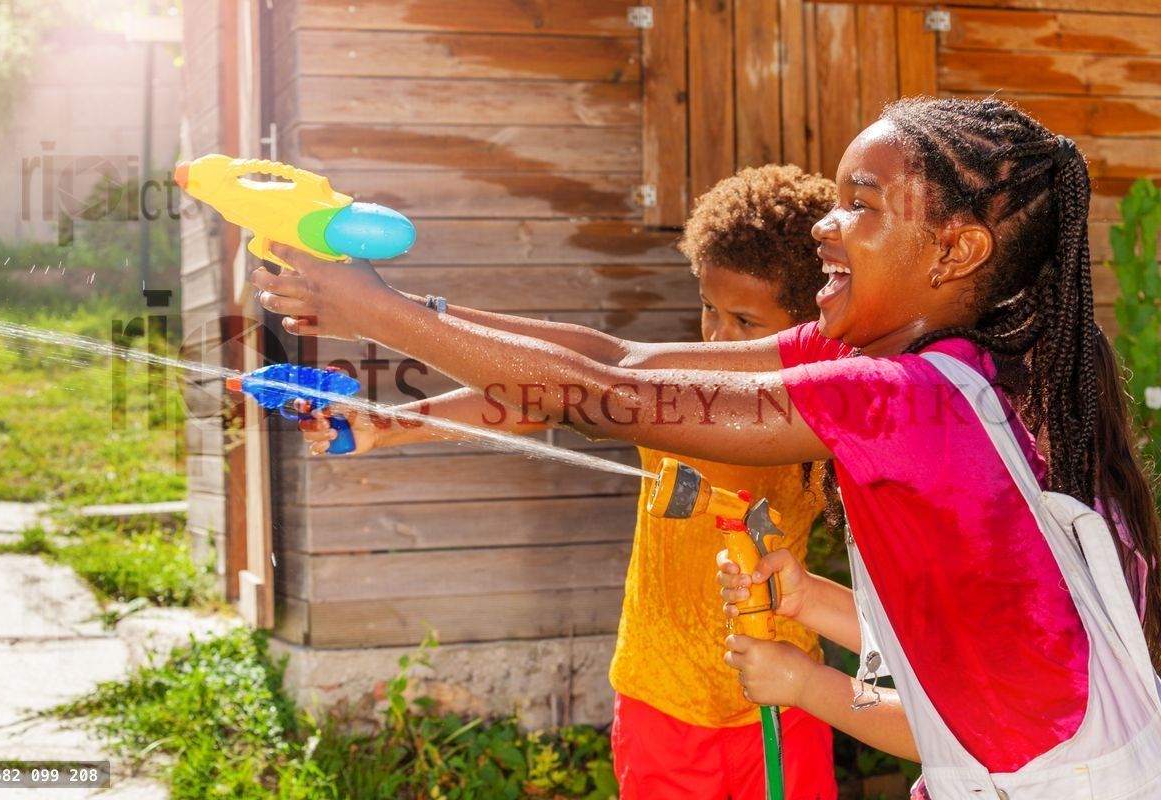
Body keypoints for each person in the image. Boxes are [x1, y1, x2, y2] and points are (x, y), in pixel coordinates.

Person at [254, 96, 1161, 798]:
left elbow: (611, 399)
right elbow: (620, 358)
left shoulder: (904, 396)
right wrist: (417, 312)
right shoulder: (945, 367)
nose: (825, 226)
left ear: (955, 249)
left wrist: (376, 315)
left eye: (861, 204)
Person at [299, 165, 840, 799]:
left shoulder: (822, 411)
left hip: (784, 699)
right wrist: (389, 424)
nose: (718, 336)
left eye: (745, 323)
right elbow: (544, 398)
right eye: (708, 309)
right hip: (658, 698)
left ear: (808, 325)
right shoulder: (669, 391)